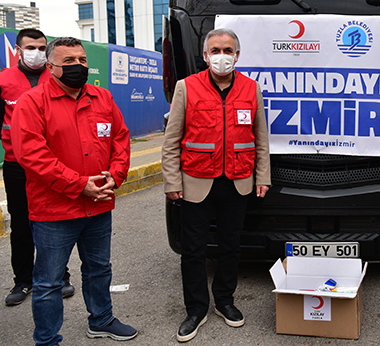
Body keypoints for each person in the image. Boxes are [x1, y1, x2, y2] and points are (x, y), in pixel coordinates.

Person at [11, 37, 137, 345]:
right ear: (51, 67)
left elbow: (120, 139)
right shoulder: (33, 102)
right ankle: (47, 338)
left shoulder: (102, 98)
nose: (77, 66)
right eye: (69, 62)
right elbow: (32, 155)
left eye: (81, 60)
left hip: (98, 207)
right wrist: (80, 185)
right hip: (54, 211)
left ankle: (102, 320)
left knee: (99, 270)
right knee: (49, 281)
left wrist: (115, 175)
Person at [162, 28, 270, 343]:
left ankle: (225, 300)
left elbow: (261, 139)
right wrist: (172, 180)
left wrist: (262, 176)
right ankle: (196, 309)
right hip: (196, 182)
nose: (222, 56)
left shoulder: (252, 89)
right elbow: (171, 142)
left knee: (230, 247)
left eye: (228, 50)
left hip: (237, 182)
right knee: (193, 250)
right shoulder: (186, 87)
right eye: (215, 50)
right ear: (206, 55)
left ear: (237, 55)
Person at [0, 29, 74, 306]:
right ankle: (24, 280)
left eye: (42, 47)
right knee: (21, 225)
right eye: (31, 47)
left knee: (57, 222)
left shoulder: (57, 77)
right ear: (18, 50)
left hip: (54, 165)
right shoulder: (3, 80)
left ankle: (61, 276)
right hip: (17, 165)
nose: (37, 52)